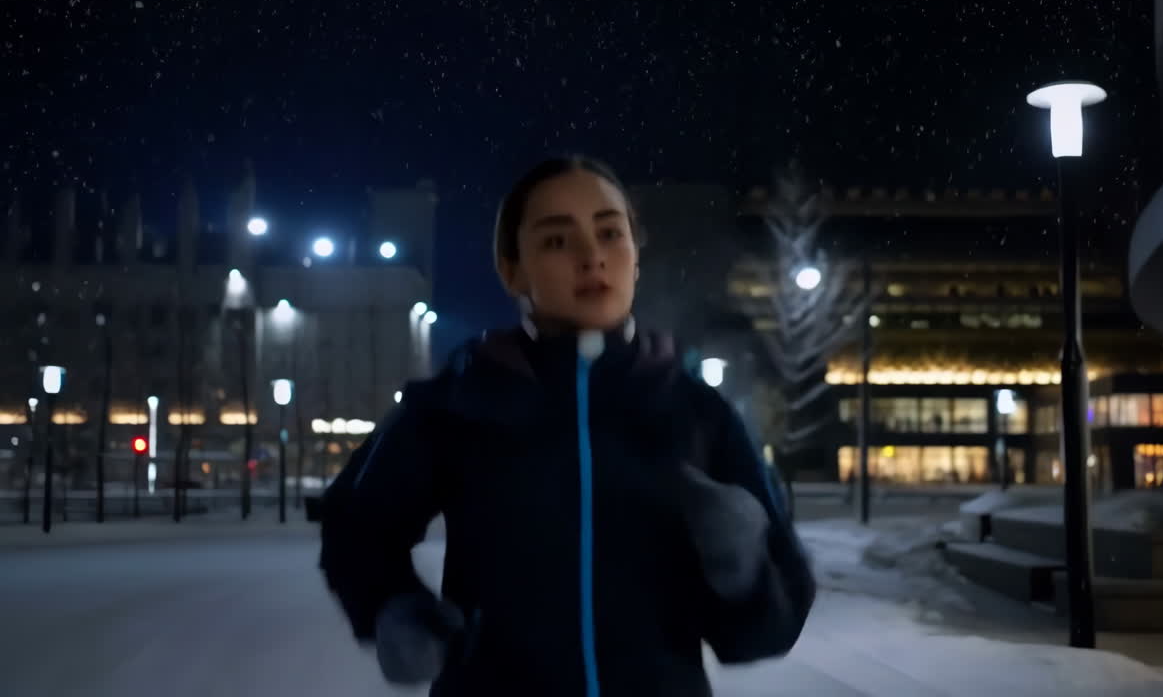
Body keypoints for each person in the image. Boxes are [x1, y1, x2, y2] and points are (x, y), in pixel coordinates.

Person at [318, 156, 815, 696]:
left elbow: (769, 628)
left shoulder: (697, 411)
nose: (591, 256)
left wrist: (742, 573)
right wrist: (393, 606)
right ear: (513, 270)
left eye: (610, 233)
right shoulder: (460, 403)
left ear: (635, 256)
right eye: (557, 241)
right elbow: (355, 526)